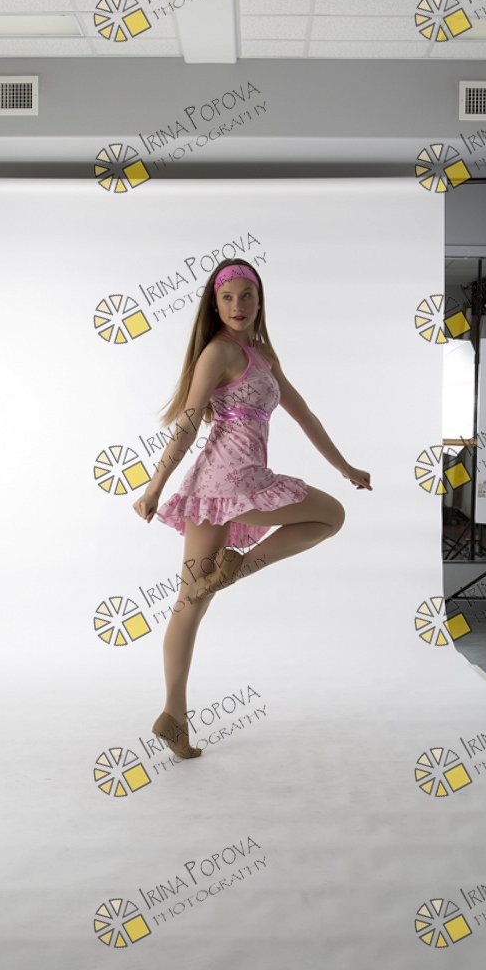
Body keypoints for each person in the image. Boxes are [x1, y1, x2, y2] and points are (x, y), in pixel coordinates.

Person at [132, 258, 372, 759]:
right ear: (215, 304)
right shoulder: (218, 351)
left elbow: (304, 414)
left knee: (191, 599)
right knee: (330, 516)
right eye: (227, 297)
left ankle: (174, 716)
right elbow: (188, 424)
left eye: (246, 296)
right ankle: (234, 573)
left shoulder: (262, 354)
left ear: (260, 301)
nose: (237, 305)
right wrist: (154, 489)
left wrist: (345, 466)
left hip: (215, 487)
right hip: (231, 481)